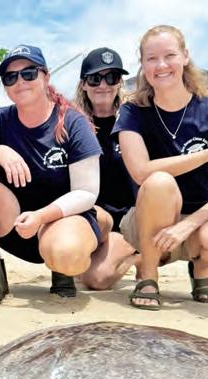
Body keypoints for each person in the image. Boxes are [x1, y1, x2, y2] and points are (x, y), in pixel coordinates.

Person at [114, 25, 208, 310]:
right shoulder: (132, 112)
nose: (161, 65)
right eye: (151, 58)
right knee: (159, 181)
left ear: (185, 56)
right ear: (142, 65)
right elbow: (140, 171)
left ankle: (201, 268)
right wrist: (207, 155)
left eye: (169, 56)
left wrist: (188, 225)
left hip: (200, 223)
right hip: (147, 223)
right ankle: (148, 274)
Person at [0, 45, 102, 303]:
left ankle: (62, 272)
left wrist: (41, 217)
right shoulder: (2, 119)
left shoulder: (72, 121)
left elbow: (87, 192)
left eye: (29, 73)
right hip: (16, 223)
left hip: (58, 221)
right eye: (10, 77)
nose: (20, 81)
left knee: (67, 256)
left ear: (46, 76)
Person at [73, 47, 139, 291]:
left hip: (129, 219)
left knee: (96, 279)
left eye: (112, 77)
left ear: (120, 82)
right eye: (95, 78)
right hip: (95, 217)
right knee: (74, 269)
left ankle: (142, 256)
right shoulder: (72, 125)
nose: (103, 85)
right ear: (83, 84)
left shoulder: (137, 119)